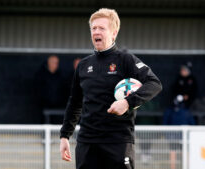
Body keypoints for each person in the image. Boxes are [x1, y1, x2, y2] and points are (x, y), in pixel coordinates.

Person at [59, 8, 162, 169]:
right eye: (93, 28)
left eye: (101, 28)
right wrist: (65, 135)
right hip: (87, 143)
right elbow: (74, 102)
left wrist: (127, 103)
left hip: (118, 142)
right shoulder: (83, 65)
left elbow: (154, 83)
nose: (96, 32)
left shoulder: (126, 60)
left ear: (114, 33)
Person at [34, 55, 67, 123]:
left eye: (57, 63)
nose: (56, 65)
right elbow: (38, 92)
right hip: (43, 107)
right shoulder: (41, 75)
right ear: (49, 63)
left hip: (58, 108)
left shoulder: (60, 76)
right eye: (54, 62)